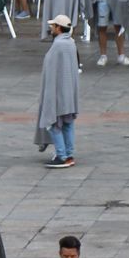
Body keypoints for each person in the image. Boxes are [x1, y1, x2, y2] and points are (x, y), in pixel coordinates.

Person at [35, 14, 81, 168]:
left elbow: (51, 70)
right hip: (69, 92)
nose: (51, 28)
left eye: (53, 26)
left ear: (59, 28)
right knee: (68, 124)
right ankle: (69, 154)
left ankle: (62, 156)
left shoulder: (58, 45)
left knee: (54, 124)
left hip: (58, 92)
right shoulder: (71, 43)